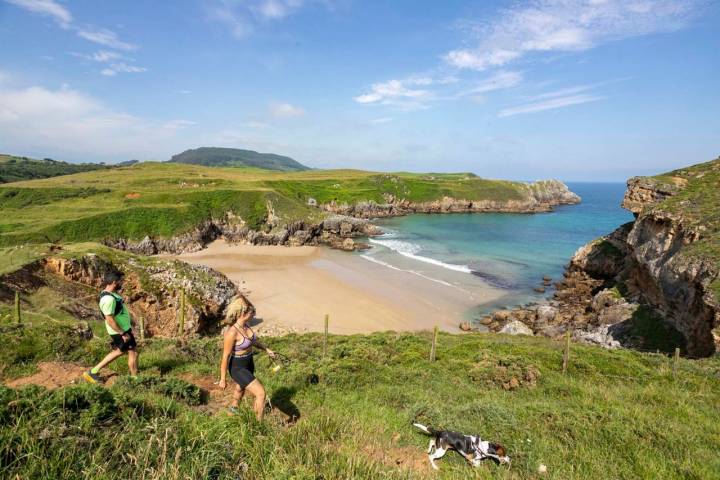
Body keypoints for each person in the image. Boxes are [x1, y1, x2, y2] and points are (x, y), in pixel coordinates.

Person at [218, 297, 276, 420]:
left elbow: (253, 342)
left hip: (249, 362)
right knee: (261, 393)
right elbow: (225, 356)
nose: (253, 315)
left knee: (240, 389)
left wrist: (266, 349)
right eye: (251, 313)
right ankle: (258, 425)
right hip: (237, 367)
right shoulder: (232, 333)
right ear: (243, 313)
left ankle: (231, 414)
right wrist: (222, 379)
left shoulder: (246, 326)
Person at [83, 271, 139, 384]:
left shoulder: (109, 294)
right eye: (120, 281)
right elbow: (109, 319)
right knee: (132, 352)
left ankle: (93, 371)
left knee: (120, 351)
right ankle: (134, 379)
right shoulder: (108, 299)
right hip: (120, 331)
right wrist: (123, 333)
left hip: (122, 329)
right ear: (114, 282)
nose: (122, 283)